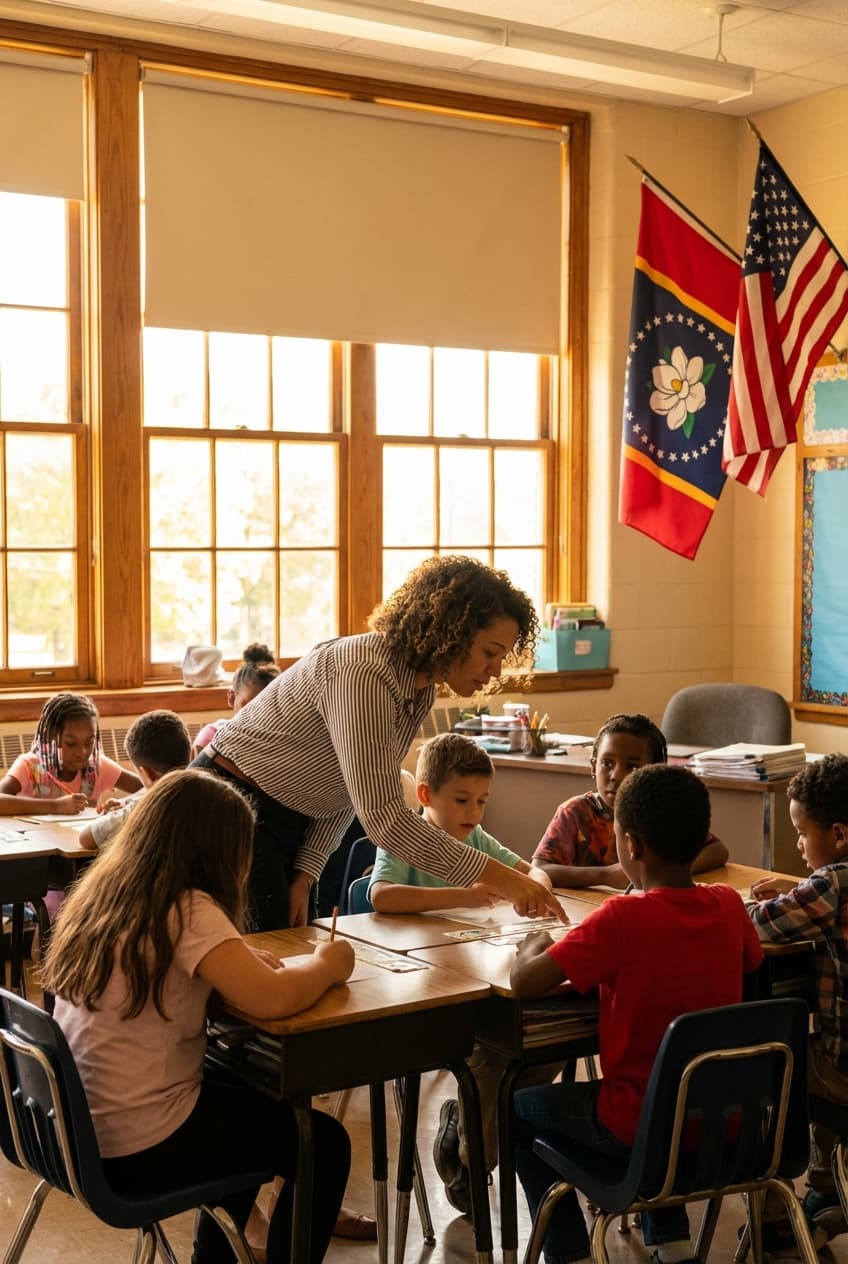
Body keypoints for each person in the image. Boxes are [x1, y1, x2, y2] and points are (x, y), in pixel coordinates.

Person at [42, 769, 354, 1264]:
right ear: (219, 853)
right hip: (136, 1145)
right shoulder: (188, 907)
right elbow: (273, 999)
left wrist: (234, 965)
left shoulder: (106, 894)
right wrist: (326, 964)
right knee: (324, 1143)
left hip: (72, 1131)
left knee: (251, 1099)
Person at [191, 555, 564, 932]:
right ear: (451, 634)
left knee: (288, 944)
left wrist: (305, 873)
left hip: (279, 815)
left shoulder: (419, 689)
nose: (496, 671)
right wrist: (506, 879)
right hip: (226, 805)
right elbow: (385, 820)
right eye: (490, 652)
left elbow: (346, 787)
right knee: (264, 951)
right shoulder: (365, 672)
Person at [510, 764, 763, 1264]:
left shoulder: (620, 918)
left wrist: (532, 944)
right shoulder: (728, 905)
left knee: (514, 1109)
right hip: (727, 1127)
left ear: (630, 845)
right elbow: (752, 962)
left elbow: (524, 982)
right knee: (666, 1089)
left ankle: (569, 1252)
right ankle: (671, 1244)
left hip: (635, 1129)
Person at [368, 732, 557, 1213]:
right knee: (496, 1059)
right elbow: (381, 896)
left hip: (476, 982)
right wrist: (465, 895)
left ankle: (474, 1145)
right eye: (461, 800)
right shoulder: (406, 837)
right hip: (418, 991)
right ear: (426, 796)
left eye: (482, 801)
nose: (474, 812)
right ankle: (475, 1152)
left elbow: (530, 870)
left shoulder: (475, 838)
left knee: (535, 1046)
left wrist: (535, 885)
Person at [746, 753, 848, 1253]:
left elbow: (759, 926)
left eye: (802, 833)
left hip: (843, 1072)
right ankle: (826, 1187)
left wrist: (756, 901)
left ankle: (774, 1212)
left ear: (839, 835)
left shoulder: (833, 885)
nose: (798, 845)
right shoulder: (831, 886)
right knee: (811, 1048)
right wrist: (800, 888)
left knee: (771, 1065)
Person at [531, 713, 728, 889]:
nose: (616, 776)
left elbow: (717, 850)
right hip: (588, 909)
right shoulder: (576, 811)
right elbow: (540, 869)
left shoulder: (662, 810)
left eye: (632, 767)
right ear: (593, 766)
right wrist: (606, 876)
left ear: (655, 770)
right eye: (607, 763)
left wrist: (665, 874)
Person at [0, 692, 142, 816]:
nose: (82, 752)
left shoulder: (97, 766)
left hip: (77, 839)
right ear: (52, 736)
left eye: (89, 743)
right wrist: (56, 806)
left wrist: (124, 805)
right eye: (71, 743)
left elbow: (150, 789)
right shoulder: (31, 766)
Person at [79, 709, 192, 850]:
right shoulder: (214, 790)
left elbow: (86, 838)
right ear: (193, 754)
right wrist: (126, 803)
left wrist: (114, 814)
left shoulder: (144, 809)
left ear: (147, 773)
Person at [193, 643, 280, 757]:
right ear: (232, 697)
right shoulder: (210, 737)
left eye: (269, 708)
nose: (258, 717)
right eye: (249, 708)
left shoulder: (280, 740)